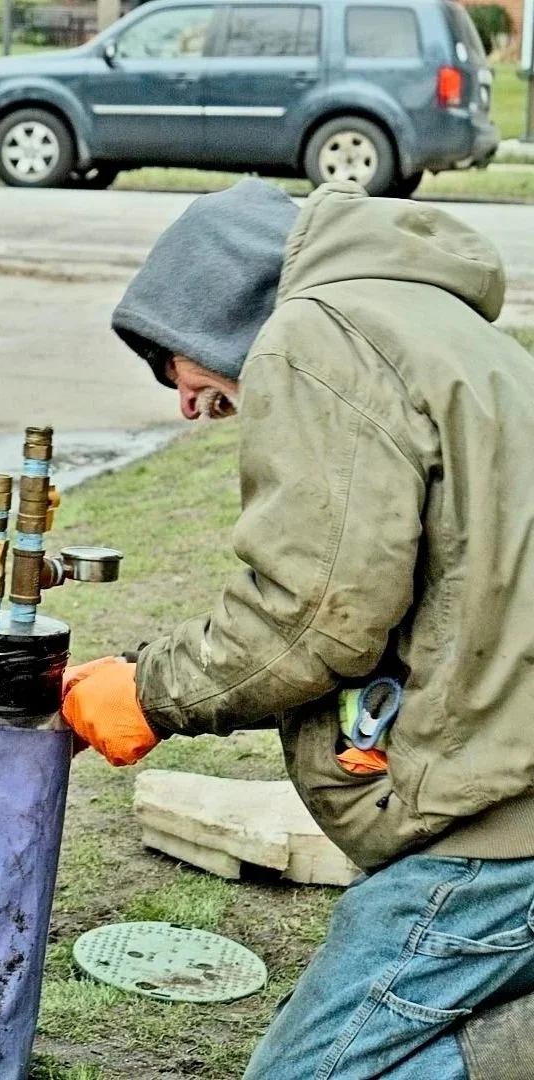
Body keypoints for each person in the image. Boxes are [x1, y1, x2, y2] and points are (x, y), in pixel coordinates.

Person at [61, 177, 534, 1080]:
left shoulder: (316, 336)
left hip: (504, 823)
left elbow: (315, 616)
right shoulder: (426, 321)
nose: (185, 404)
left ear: (216, 313)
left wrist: (145, 691)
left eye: (181, 373)